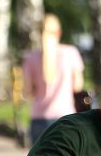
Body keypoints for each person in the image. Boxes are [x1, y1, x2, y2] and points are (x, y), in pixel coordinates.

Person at [21, 13, 85, 144]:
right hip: (65, 118)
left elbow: (27, 91)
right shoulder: (71, 53)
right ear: (59, 33)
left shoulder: (30, 58)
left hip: (38, 119)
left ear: (39, 33)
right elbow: (77, 85)